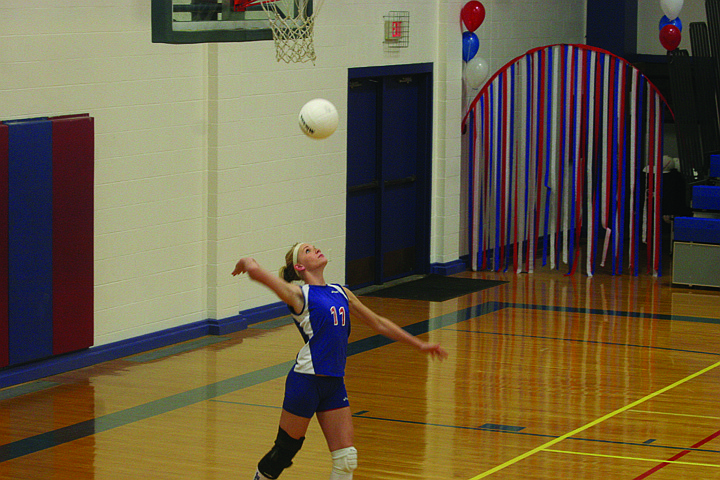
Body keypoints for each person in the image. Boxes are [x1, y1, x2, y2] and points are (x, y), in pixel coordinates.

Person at [232, 242, 448, 480]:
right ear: (299, 266)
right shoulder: (299, 295)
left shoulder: (341, 292)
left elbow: (378, 322)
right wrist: (248, 264)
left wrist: (419, 344)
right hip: (306, 381)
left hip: (334, 382)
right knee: (284, 452)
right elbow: (259, 274)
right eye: (307, 250)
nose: (315, 249)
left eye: (314, 247)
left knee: (346, 459)